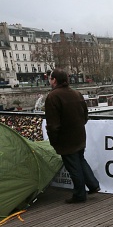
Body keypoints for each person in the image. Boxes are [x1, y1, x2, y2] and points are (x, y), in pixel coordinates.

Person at [45, 69, 100, 204]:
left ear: (54, 80)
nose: (50, 81)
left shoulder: (53, 97)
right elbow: (85, 115)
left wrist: (53, 140)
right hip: (79, 135)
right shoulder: (76, 94)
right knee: (80, 160)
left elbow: (52, 124)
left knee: (73, 166)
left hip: (65, 138)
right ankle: (93, 185)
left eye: (51, 79)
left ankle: (80, 194)